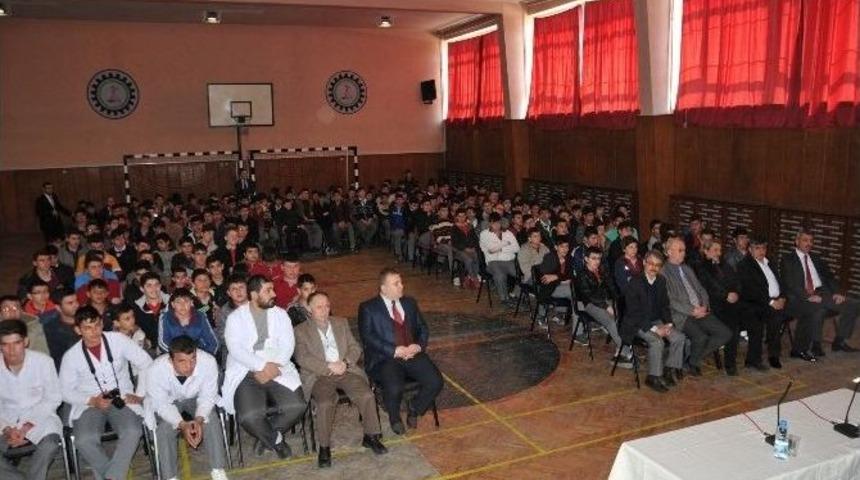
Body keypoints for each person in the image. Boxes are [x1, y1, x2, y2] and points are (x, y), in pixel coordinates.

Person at [294, 292, 387, 468]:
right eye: (319, 307)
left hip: (346, 370)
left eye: (327, 306)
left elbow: (355, 347)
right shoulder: (300, 330)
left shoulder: (341, 323)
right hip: (320, 374)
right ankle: (324, 447)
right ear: (309, 309)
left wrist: (345, 362)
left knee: (367, 395)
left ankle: (371, 436)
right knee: (324, 403)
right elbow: (302, 358)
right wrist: (328, 367)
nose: (324, 310)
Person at [59, 306, 152, 480]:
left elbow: (146, 363)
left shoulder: (118, 340)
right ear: (78, 330)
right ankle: (113, 474)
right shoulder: (71, 356)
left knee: (132, 431)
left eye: (96, 325)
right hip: (89, 403)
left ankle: (111, 477)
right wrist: (91, 400)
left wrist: (140, 394)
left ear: (102, 323)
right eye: (87, 328)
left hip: (121, 398)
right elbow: (65, 391)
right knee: (84, 440)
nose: (94, 332)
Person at [222, 275, 305, 459]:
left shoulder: (281, 314)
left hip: (277, 366)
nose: (274, 294)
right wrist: (260, 366)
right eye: (268, 290)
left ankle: (264, 435)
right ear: (253, 295)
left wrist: (274, 366)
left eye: (272, 289)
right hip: (246, 369)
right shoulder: (235, 318)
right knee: (249, 417)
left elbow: (288, 344)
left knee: (297, 406)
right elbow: (235, 349)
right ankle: (275, 440)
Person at [357, 268, 443, 435]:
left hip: (412, 354)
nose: (401, 286)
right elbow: (368, 337)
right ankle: (394, 417)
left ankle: (415, 407)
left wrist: (418, 346)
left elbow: (423, 328)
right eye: (396, 283)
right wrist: (394, 350)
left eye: (401, 282)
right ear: (383, 288)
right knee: (394, 387)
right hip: (385, 358)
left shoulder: (410, 303)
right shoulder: (368, 308)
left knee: (435, 382)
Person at [144, 336, 228, 480]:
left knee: (211, 419)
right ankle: (170, 477)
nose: (189, 366)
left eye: (193, 359)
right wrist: (182, 424)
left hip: (196, 397)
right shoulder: (155, 370)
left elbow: (208, 396)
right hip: (170, 401)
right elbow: (161, 404)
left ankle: (218, 470)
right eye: (182, 361)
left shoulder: (208, 361)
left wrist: (199, 420)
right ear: (170, 360)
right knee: (164, 429)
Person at [780, 228, 859, 359]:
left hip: (822, 294)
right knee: (818, 309)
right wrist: (808, 296)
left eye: (811, 241)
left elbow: (830, 277)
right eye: (805, 240)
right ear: (797, 241)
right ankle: (815, 344)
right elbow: (791, 284)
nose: (808, 243)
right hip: (800, 298)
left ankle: (839, 341)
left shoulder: (816, 258)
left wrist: (837, 292)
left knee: (854, 304)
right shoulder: (788, 259)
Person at [0, 319, 64, 480]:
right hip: (5, 421)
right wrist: (7, 429)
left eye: (16, 343)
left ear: (26, 342)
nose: (11, 350)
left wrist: (25, 427)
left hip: (39, 418)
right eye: (5, 344)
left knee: (50, 444)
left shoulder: (43, 362)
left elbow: (53, 398)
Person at [661, 237, 732, 376]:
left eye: (684, 250)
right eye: (680, 250)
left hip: (700, 310)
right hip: (681, 315)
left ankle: (691, 359)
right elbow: (670, 300)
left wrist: (704, 306)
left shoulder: (687, 268)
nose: (683, 253)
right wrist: (692, 310)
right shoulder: (664, 272)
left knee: (725, 333)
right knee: (700, 337)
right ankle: (693, 362)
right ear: (669, 252)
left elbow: (701, 289)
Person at [621, 251, 686, 392]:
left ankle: (669, 369)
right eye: (650, 263)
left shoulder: (661, 281)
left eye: (657, 265)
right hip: (636, 323)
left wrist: (668, 324)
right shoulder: (635, 282)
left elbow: (664, 305)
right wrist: (656, 330)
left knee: (679, 337)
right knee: (657, 342)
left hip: (656, 320)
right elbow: (634, 313)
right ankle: (653, 377)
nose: (653, 268)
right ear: (644, 262)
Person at [695, 239, 748, 375]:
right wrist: (726, 295)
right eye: (715, 250)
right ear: (706, 251)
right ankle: (729, 364)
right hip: (714, 304)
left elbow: (736, 280)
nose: (719, 253)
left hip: (730, 302)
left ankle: (730, 361)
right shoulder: (701, 266)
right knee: (732, 324)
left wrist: (736, 292)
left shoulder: (725, 264)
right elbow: (710, 286)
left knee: (741, 318)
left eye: (720, 250)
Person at [737, 237, 787, 370]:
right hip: (753, 303)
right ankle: (753, 360)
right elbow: (751, 290)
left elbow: (779, 282)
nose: (761, 251)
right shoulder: (744, 265)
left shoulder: (770, 263)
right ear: (750, 250)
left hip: (774, 301)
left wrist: (782, 297)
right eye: (757, 248)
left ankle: (773, 355)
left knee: (778, 317)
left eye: (763, 248)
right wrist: (771, 302)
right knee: (760, 320)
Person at [576, 247, 629, 366]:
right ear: (586, 259)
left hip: (605, 301)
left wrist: (617, 302)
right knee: (610, 321)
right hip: (590, 304)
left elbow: (612, 287)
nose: (597, 261)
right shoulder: (582, 275)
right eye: (593, 258)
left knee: (623, 315)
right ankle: (625, 351)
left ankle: (622, 347)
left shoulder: (602, 270)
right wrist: (606, 306)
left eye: (599, 258)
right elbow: (589, 296)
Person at [158, 289, 219, 356]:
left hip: (197, 355)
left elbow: (212, 342)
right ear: (173, 304)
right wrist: (180, 357)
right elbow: (163, 343)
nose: (182, 305)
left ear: (191, 303)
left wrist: (200, 358)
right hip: (172, 356)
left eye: (186, 301)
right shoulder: (165, 317)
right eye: (178, 302)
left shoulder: (200, 316)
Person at [478, 213, 520, 306]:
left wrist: (501, 248)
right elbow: (491, 250)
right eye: (493, 223)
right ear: (489, 223)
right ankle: (504, 298)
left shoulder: (508, 233)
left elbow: (517, 248)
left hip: (509, 261)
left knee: (521, 274)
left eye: (498, 222)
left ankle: (515, 294)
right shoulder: (484, 234)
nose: (496, 225)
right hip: (493, 262)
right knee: (500, 275)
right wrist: (506, 244)